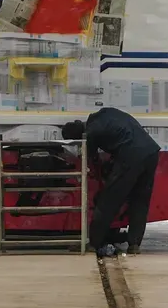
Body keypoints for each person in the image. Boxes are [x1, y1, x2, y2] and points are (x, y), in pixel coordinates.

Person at [61, 107, 160, 258]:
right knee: (140, 200)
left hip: (131, 155)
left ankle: (94, 243)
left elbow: (91, 159)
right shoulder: (105, 113)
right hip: (151, 152)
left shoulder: (90, 133)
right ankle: (134, 244)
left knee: (108, 200)